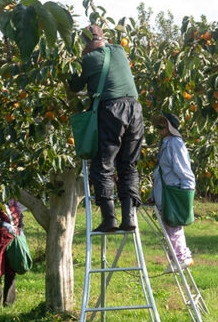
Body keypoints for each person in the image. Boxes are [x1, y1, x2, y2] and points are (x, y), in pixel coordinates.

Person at [67, 25, 143, 233]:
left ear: (86, 43)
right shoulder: (119, 50)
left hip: (112, 110)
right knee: (128, 165)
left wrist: (71, 64)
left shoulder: (88, 60)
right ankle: (129, 218)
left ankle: (109, 218)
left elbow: (73, 87)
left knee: (103, 165)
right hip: (135, 109)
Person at [151, 112, 195, 269]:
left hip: (173, 192)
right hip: (165, 193)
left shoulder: (174, 143)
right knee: (170, 227)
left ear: (170, 127)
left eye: (162, 125)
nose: (158, 128)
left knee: (173, 226)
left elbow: (184, 170)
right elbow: (160, 173)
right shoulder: (165, 143)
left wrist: (186, 193)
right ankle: (179, 257)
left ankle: (181, 257)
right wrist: (153, 195)